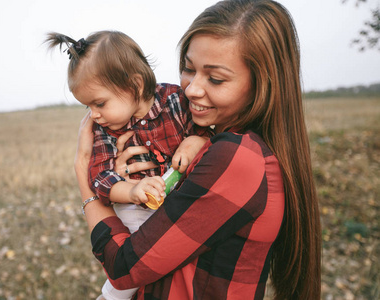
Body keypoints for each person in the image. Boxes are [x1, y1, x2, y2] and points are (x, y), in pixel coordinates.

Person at [75, 0, 322, 299]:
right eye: (188, 68)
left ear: (264, 84)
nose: (190, 89)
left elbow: (125, 267)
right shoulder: (222, 147)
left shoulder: (239, 159)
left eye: (215, 78)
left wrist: (84, 177)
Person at [46, 30, 210, 300]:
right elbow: (100, 179)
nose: (94, 114)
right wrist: (131, 191)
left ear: (134, 85)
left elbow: (209, 136)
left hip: (178, 206)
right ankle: (113, 295)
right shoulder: (104, 130)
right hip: (133, 209)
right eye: (87, 106)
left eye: (99, 103)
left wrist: (196, 140)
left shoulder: (175, 101)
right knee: (132, 261)